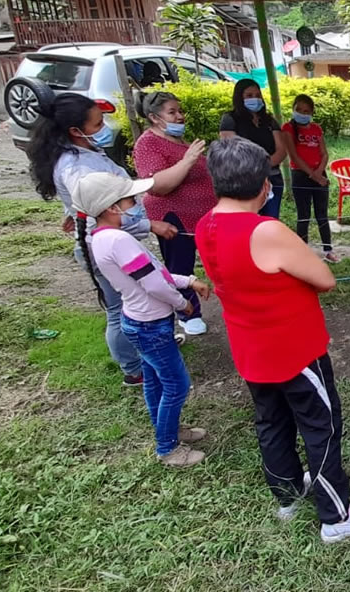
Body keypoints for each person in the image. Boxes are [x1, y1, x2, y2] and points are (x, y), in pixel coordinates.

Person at [195, 137, 350, 541]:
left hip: (251, 348)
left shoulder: (205, 223)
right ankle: (336, 517)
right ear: (264, 183)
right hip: (293, 349)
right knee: (322, 426)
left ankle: (287, 495)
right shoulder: (265, 229)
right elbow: (325, 279)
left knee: (271, 421)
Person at [27, 92, 179, 387]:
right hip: (105, 245)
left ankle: (147, 350)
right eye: (98, 124)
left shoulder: (83, 152)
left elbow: (88, 204)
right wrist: (150, 225)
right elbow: (100, 208)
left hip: (107, 239)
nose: (105, 127)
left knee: (130, 302)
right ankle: (133, 368)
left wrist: (74, 213)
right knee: (120, 308)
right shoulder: (78, 168)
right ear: (75, 130)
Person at [73, 172, 210, 467]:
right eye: (130, 200)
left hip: (139, 321)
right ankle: (168, 447)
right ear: (112, 207)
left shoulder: (103, 237)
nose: (136, 204)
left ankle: (169, 430)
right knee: (177, 384)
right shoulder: (118, 240)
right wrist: (183, 304)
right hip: (151, 325)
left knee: (155, 380)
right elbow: (155, 285)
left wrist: (188, 280)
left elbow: (154, 274)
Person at [133, 91, 215, 337]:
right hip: (173, 216)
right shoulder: (147, 144)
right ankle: (188, 313)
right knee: (181, 265)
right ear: (154, 117)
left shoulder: (178, 140)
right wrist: (188, 160)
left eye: (180, 111)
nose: (180, 116)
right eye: (172, 112)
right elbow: (158, 186)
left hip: (203, 214)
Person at [218, 79, 286, 219]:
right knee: (249, 221)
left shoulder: (269, 120)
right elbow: (230, 150)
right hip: (245, 181)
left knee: (271, 220)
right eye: (249, 95)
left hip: (273, 178)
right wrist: (254, 169)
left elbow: (281, 150)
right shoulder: (230, 119)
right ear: (240, 97)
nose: (254, 98)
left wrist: (264, 165)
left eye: (257, 95)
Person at [282, 94, 338, 263]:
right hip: (301, 176)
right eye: (299, 110)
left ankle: (328, 250)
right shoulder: (288, 128)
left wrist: (319, 173)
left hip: (319, 174)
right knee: (304, 215)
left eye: (306, 111)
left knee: (322, 214)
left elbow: (324, 153)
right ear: (293, 109)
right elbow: (294, 156)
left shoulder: (316, 128)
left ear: (312, 112)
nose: (302, 113)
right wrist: (314, 176)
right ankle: (302, 252)